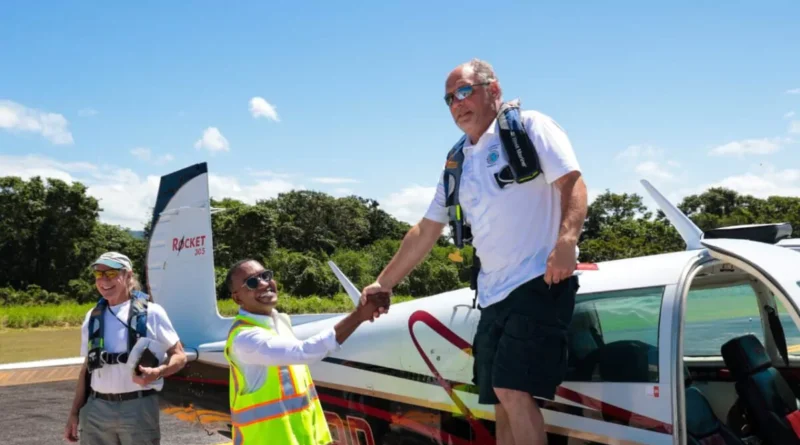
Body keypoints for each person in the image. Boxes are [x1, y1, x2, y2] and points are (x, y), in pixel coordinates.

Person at [360, 59, 588, 445]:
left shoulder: (530, 127)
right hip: (492, 294)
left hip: (539, 280)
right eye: (449, 98)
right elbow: (426, 230)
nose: (457, 104)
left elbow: (573, 183)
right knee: (498, 398)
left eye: (464, 91)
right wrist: (383, 282)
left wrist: (566, 242)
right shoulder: (458, 161)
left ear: (493, 89)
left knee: (514, 391)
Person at [222, 258, 390, 445]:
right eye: (252, 282)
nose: (264, 283)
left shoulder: (281, 322)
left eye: (265, 276)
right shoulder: (244, 338)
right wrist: (358, 316)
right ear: (237, 298)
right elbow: (304, 351)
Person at [64, 251, 187, 444]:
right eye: (99, 274)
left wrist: (159, 371)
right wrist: (74, 413)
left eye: (111, 273)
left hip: (137, 407)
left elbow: (179, 355)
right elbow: (87, 369)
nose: (104, 280)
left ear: (128, 275)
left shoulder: (152, 313)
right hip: (97, 408)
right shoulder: (92, 317)